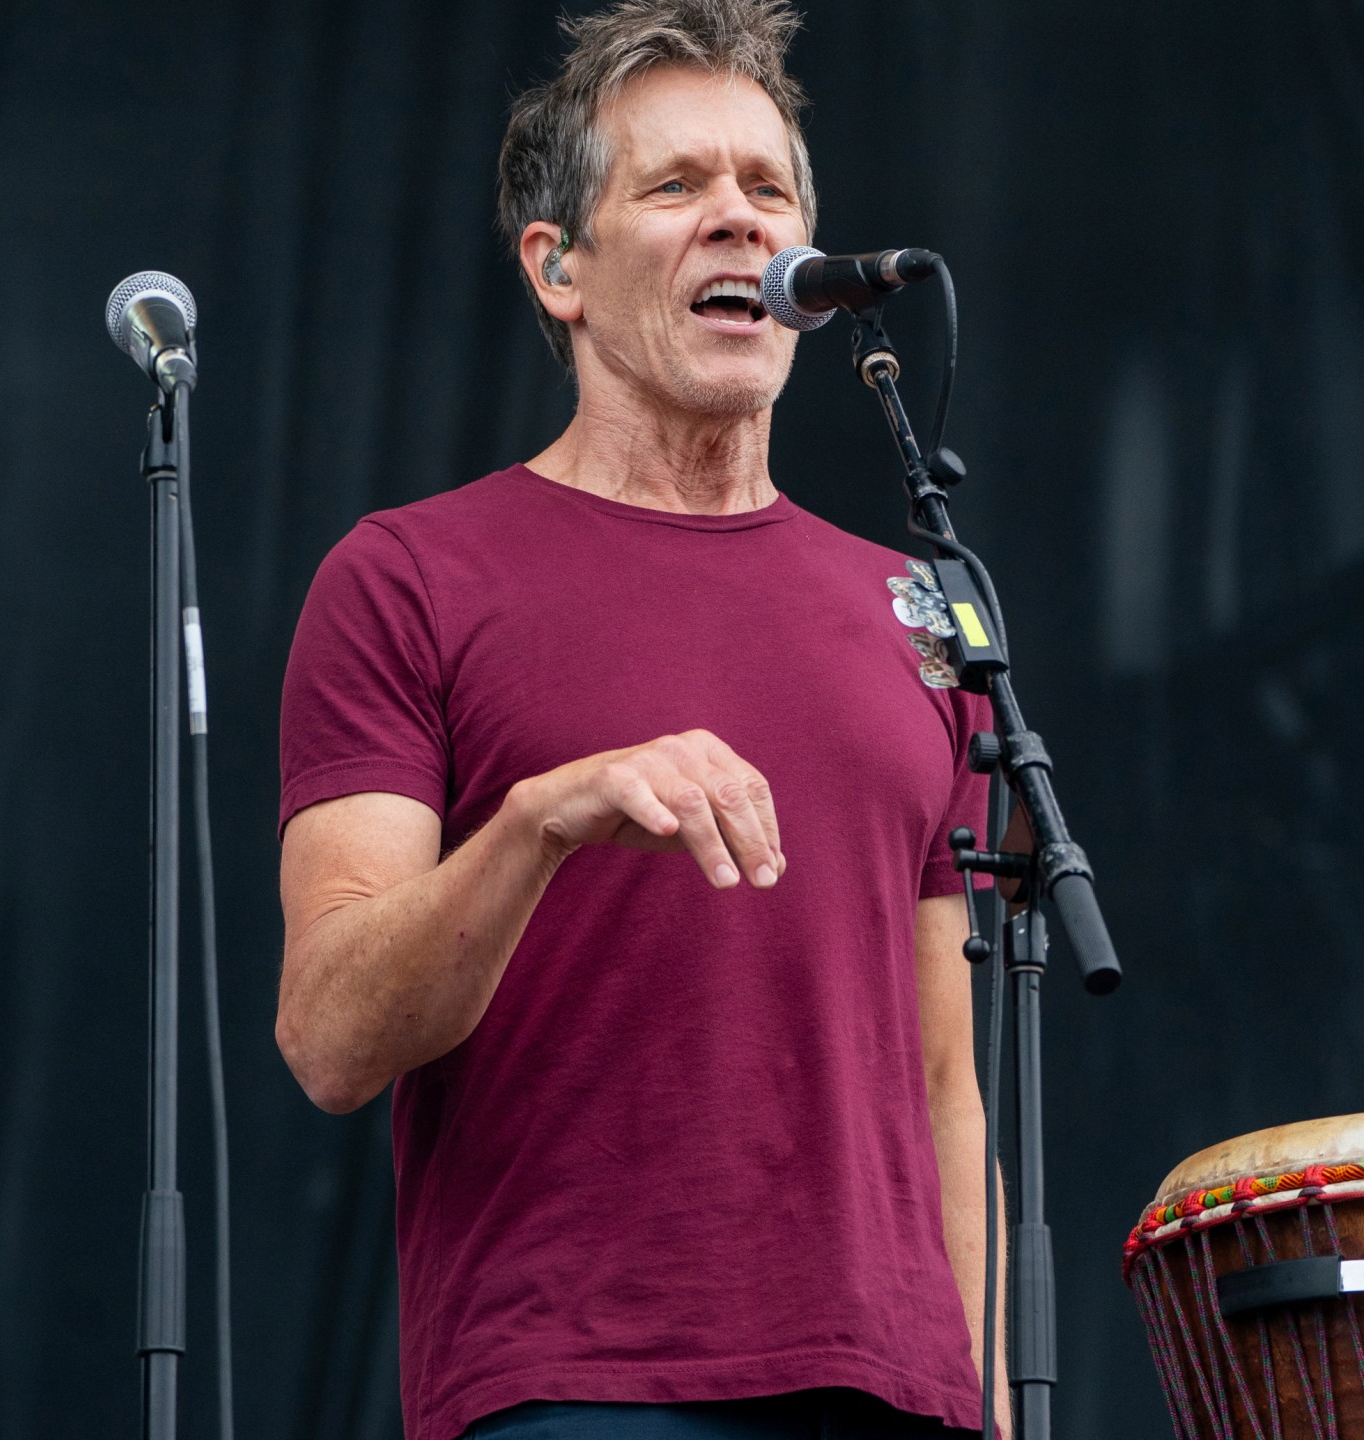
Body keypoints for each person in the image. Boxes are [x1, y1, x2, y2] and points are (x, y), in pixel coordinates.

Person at [273, 3, 998, 1437]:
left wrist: (979, 1398)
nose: (737, 218)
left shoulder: (916, 606)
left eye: (767, 188)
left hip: (892, 1390)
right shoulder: (413, 577)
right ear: (560, 270)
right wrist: (541, 818)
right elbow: (332, 1035)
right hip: (577, 1384)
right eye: (675, 187)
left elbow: (942, 1083)